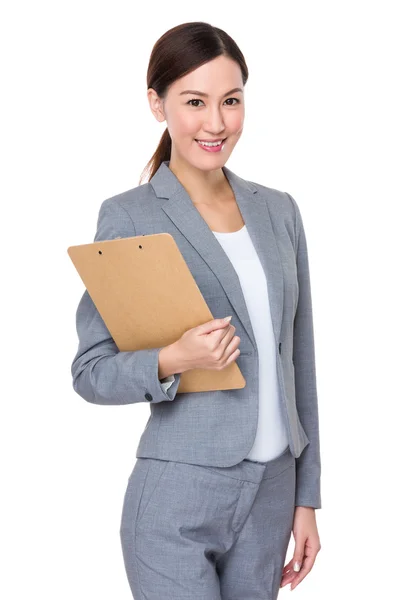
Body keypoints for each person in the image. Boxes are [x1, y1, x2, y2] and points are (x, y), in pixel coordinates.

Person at [71, 21, 322, 600]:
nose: (216, 123)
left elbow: (298, 362)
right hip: (177, 496)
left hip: (272, 494)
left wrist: (307, 497)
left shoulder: (279, 210)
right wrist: (171, 358)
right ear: (157, 104)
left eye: (231, 101)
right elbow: (90, 372)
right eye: (194, 102)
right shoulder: (130, 216)